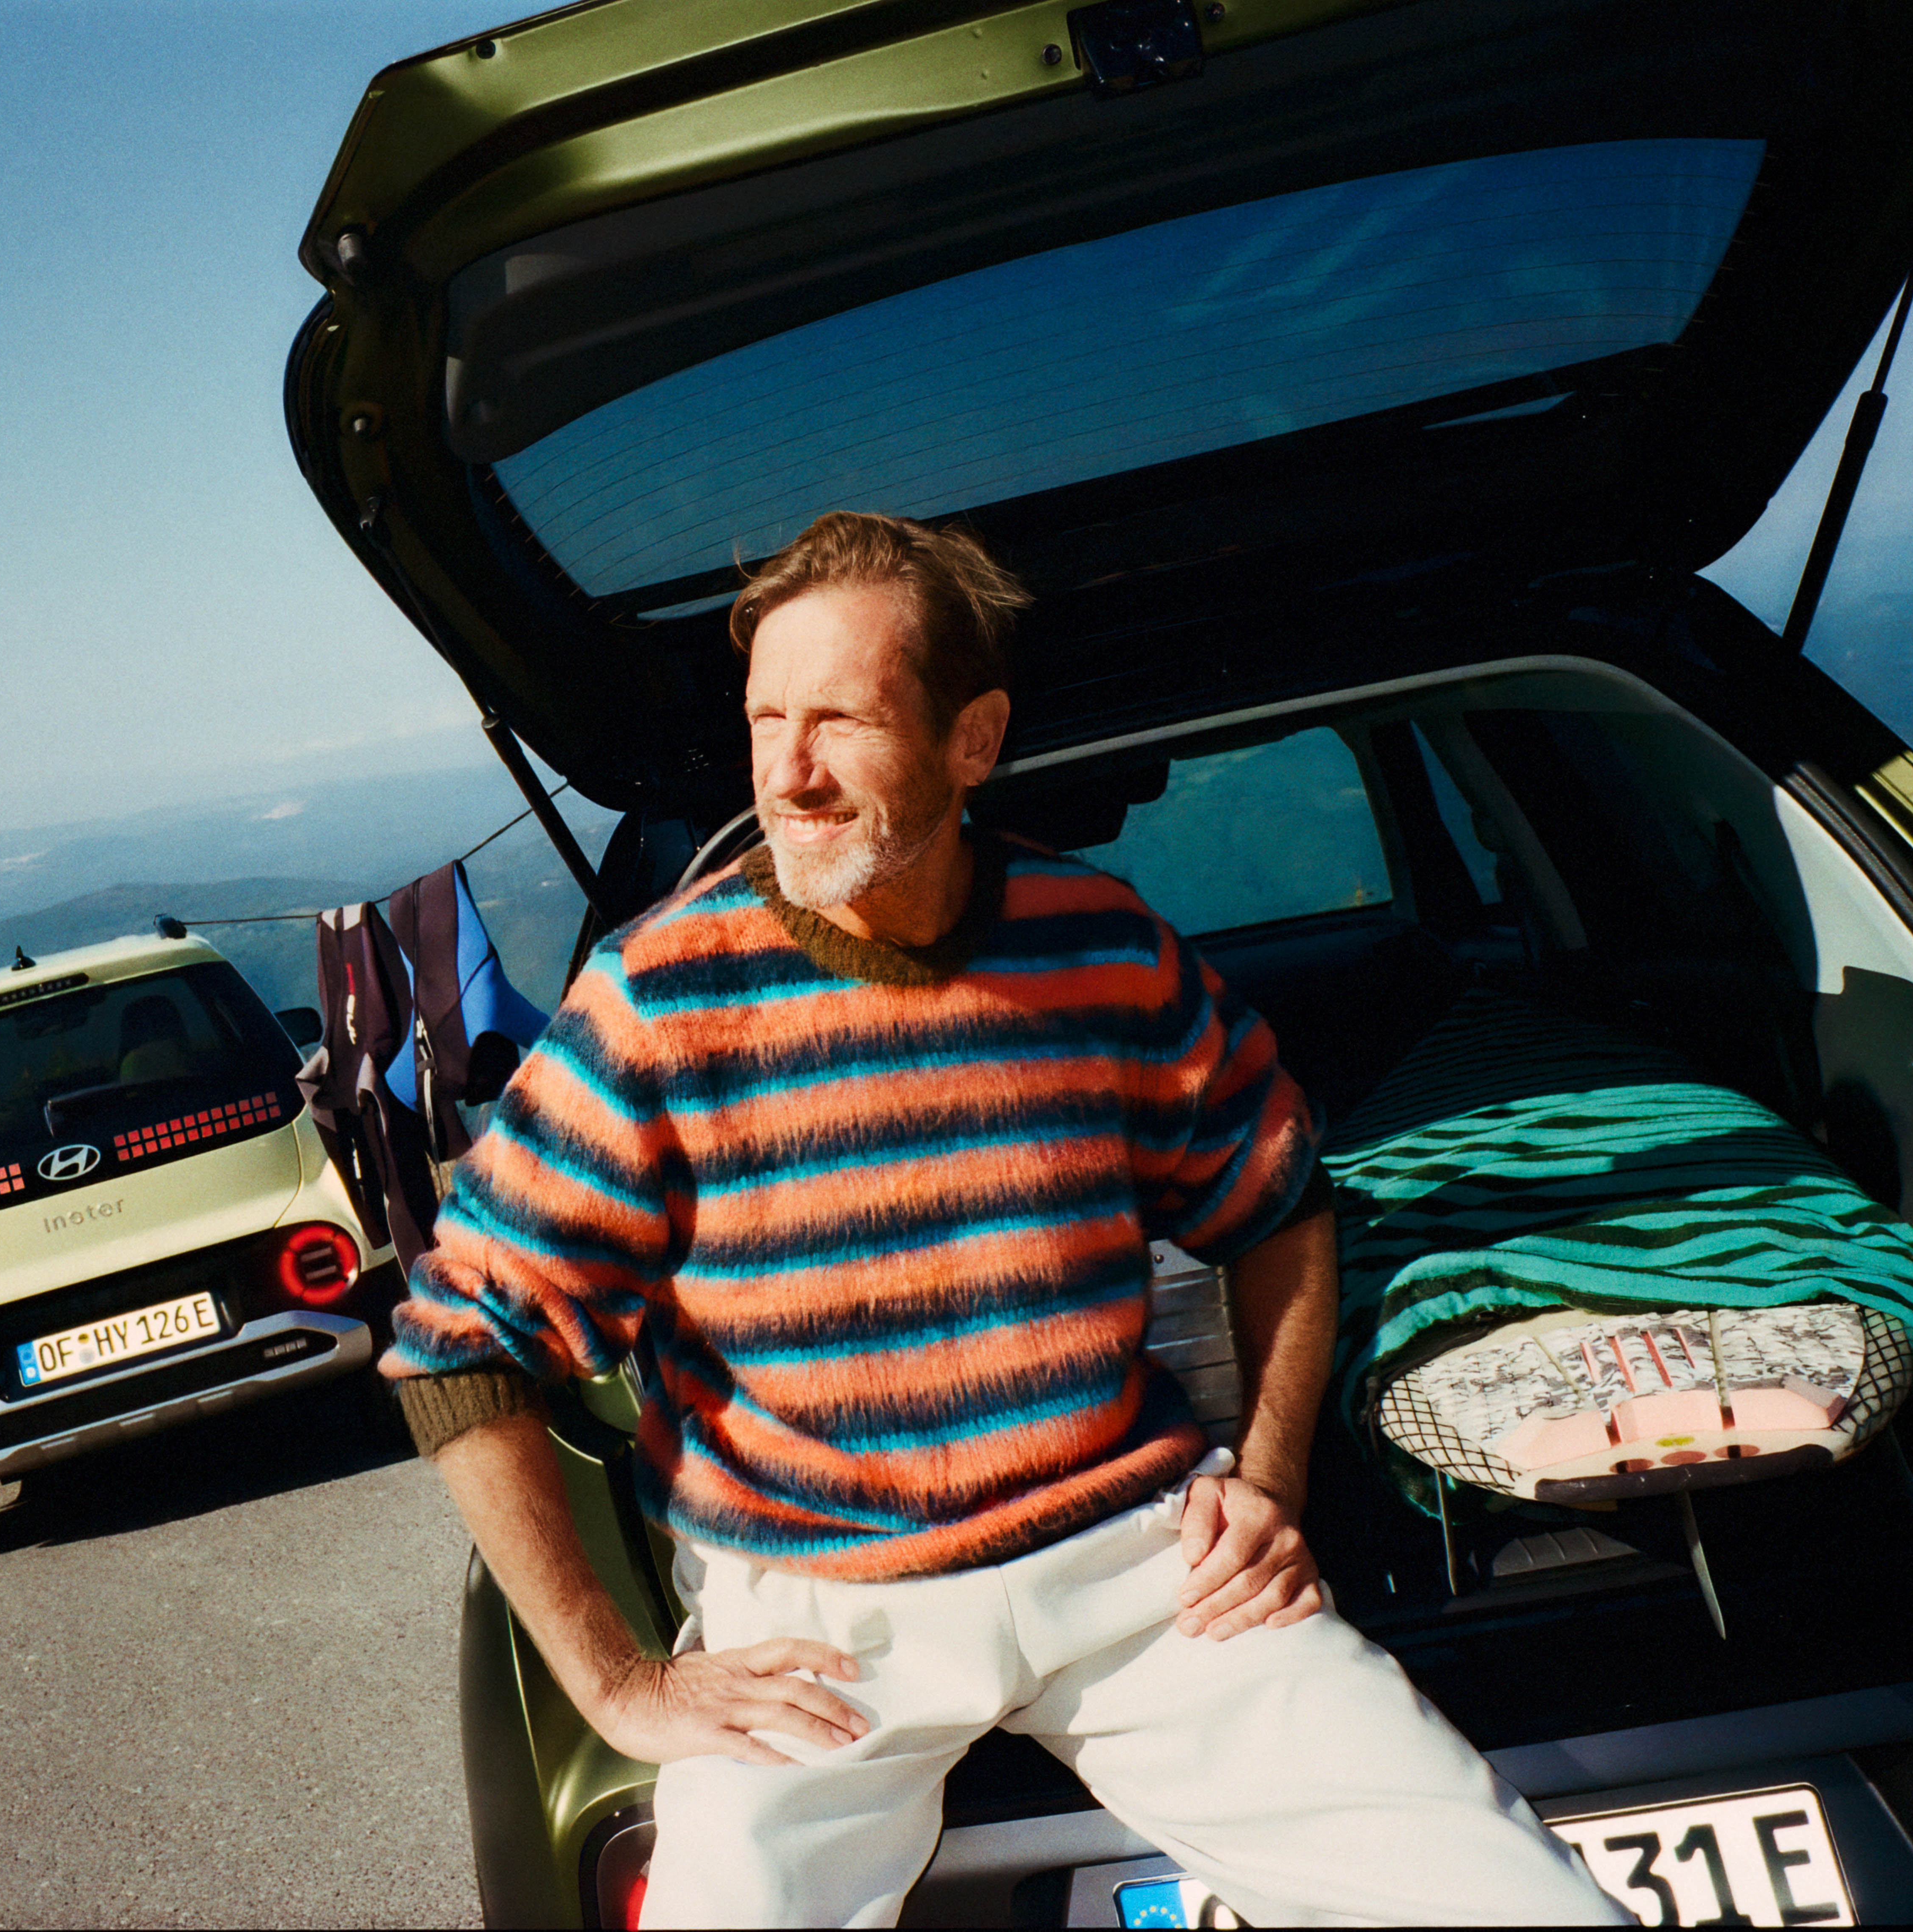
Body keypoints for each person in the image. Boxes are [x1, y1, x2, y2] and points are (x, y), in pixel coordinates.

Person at [380, 512, 1622, 1927]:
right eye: (765, 720)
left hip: (1140, 1581)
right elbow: (460, 1352)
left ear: (974, 741)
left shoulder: (1101, 944)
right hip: (821, 1630)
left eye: (838, 720)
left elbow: (1276, 1198)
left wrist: (1267, 1483)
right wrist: (620, 1682)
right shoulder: (657, 1002)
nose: (787, 773)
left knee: (1518, 1905)